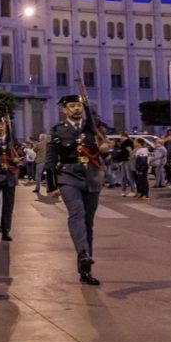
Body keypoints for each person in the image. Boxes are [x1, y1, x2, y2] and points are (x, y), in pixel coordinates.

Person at [46, 95, 105, 286]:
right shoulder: (57, 131)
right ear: (64, 109)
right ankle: (83, 253)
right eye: (72, 106)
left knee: (88, 222)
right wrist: (52, 185)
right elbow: (50, 159)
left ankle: (85, 269)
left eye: (79, 105)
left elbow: (104, 149)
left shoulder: (92, 128)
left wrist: (105, 149)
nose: (77, 109)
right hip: (68, 177)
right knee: (77, 213)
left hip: (91, 177)